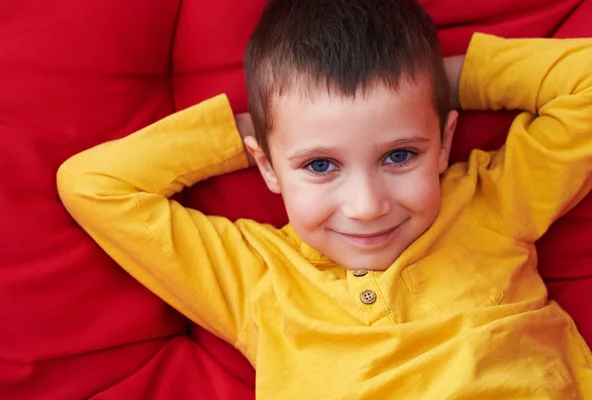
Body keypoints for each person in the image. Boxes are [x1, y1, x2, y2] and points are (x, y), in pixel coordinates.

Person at [57, 0, 592, 398]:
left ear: (444, 143)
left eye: (399, 155)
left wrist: (439, 85)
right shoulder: (256, 279)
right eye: (319, 164)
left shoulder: (489, 203)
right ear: (267, 166)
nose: (366, 205)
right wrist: (269, 127)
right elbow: (96, 185)